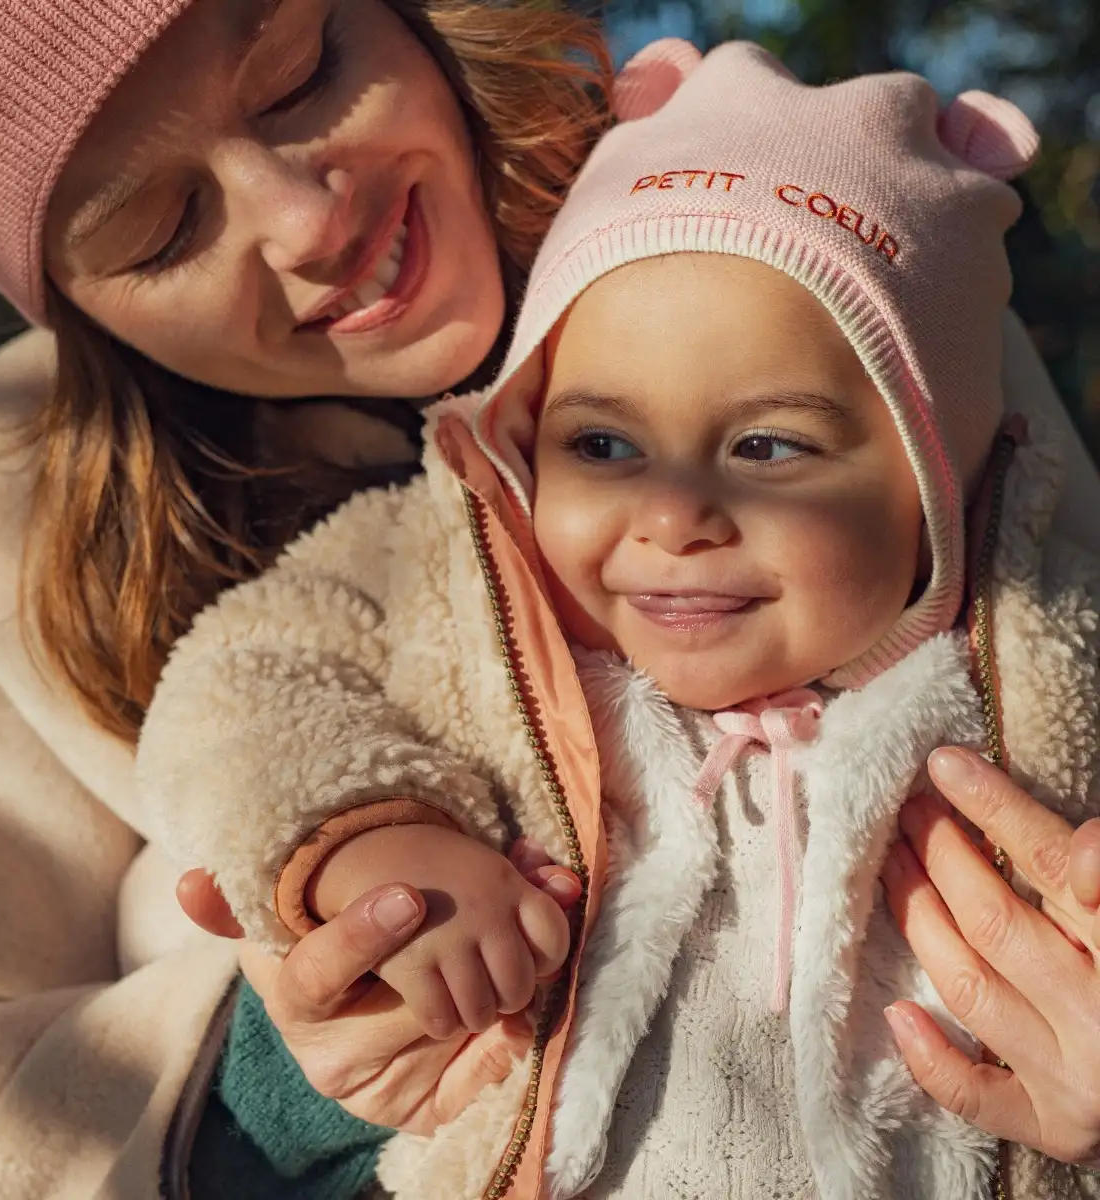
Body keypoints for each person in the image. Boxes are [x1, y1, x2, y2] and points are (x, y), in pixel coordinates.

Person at [136, 41, 1100, 1199]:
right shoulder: (474, 617)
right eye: (601, 445)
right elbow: (245, 677)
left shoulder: (1048, 664)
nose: (675, 515)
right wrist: (367, 837)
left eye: (766, 446)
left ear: (935, 481)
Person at [0, 0, 607, 1195]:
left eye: (298, 74)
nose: (308, 220)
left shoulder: (786, 237)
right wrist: (263, 1088)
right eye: (163, 229)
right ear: (84, 315)